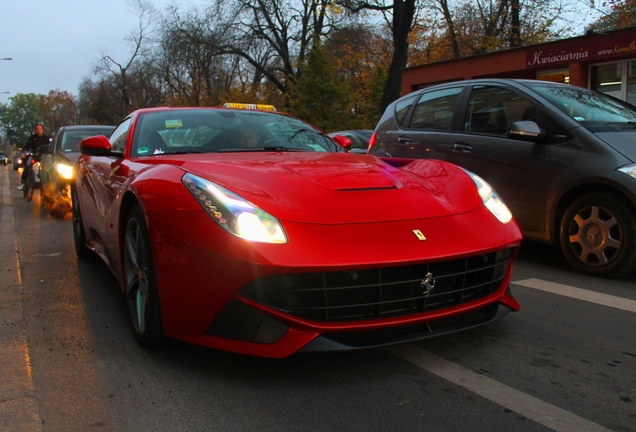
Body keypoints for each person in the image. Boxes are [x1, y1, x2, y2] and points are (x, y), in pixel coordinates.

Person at [19, 123, 50, 190]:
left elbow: (49, 147)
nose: (38, 130)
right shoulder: (33, 137)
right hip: (34, 155)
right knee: (27, 165)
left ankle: (48, 183)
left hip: (43, 156)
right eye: (37, 129)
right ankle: (23, 183)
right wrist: (23, 149)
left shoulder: (46, 138)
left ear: (43, 130)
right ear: (35, 130)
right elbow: (27, 145)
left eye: (40, 128)